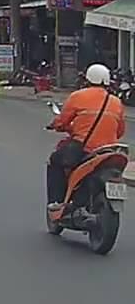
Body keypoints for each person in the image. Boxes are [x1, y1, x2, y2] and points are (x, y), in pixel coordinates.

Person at [46, 63, 127, 211]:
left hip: (84, 148)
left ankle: (56, 202)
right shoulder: (116, 102)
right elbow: (120, 131)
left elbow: (62, 122)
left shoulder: (78, 96)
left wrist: (56, 125)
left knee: (55, 161)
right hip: (109, 150)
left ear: (87, 79)